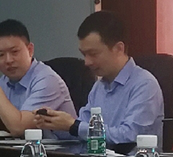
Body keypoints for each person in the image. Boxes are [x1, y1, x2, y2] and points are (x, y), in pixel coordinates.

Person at [36, 11, 164, 148]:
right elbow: (80, 132)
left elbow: (129, 137)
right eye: (84, 54)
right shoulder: (99, 87)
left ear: (118, 48)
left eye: (93, 54)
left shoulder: (144, 85)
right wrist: (54, 122)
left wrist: (74, 126)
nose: (87, 62)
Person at [0, 19, 76, 137]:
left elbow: (19, 128)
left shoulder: (47, 80)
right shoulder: (3, 82)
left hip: (60, 148)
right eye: (0, 55)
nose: (8, 60)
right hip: (27, 147)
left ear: (30, 50)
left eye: (14, 52)